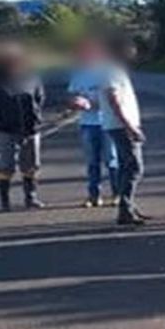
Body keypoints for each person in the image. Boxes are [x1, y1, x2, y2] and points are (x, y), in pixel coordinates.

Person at [99, 37, 147, 226]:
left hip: (118, 125)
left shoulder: (113, 69)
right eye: (129, 48)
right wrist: (129, 126)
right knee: (134, 167)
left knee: (126, 167)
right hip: (120, 126)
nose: (132, 52)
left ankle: (128, 206)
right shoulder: (110, 70)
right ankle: (125, 209)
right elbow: (114, 99)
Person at [66, 37, 119, 207]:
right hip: (88, 123)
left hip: (108, 122)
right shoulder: (79, 73)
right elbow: (72, 94)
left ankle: (117, 193)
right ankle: (94, 195)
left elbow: (115, 97)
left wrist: (95, 104)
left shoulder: (107, 71)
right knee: (91, 161)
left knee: (112, 159)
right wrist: (76, 102)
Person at [0, 42, 46, 211]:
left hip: (30, 128)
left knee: (31, 165)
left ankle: (31, 197)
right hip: (5, 129)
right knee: (6, 165)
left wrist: (36, 119)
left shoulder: (31, 77)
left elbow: (40, 98)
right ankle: (4, 201)